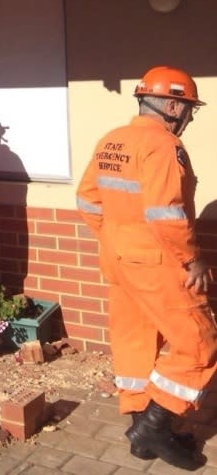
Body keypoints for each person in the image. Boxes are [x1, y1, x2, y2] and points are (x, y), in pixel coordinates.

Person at [76, 65, 216, 471]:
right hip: (158, 262)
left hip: (119, 260)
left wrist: (116, 239)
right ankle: (155, 425)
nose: (188, 116)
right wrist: (192, 259)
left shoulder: (111, 141)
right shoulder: (164, 146)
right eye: (188, 107)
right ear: (172, 105)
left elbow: (87, 201)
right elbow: (166, 214)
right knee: (199, 344)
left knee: (135, 342)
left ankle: (142, 432)